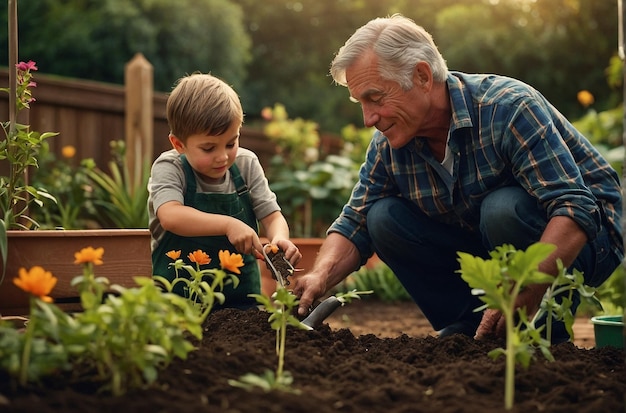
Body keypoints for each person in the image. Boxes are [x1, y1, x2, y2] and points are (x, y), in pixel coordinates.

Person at [293, 14, 623, 344]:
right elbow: (356, 221)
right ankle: (471, 329)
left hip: (589, 238)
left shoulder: (507, 108)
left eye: (376, 98)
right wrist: (320, 276)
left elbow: (575, 207)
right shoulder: (389, 145)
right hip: (486, 238)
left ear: (422, 76)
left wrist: (526, 285)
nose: (368, 119)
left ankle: (547, 329)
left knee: (500, 209)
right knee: (382, 219)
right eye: (360, 102)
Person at [149, 73, 301, 309]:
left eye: (231, 143)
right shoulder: (169, 167)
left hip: (242, 304)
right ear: (179, 144)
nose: (223, 156)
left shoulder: (246, 163)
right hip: (179, 303)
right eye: (209, 148)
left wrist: (279, 238)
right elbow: (170, 216)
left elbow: (272, 216)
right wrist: (229, 224)